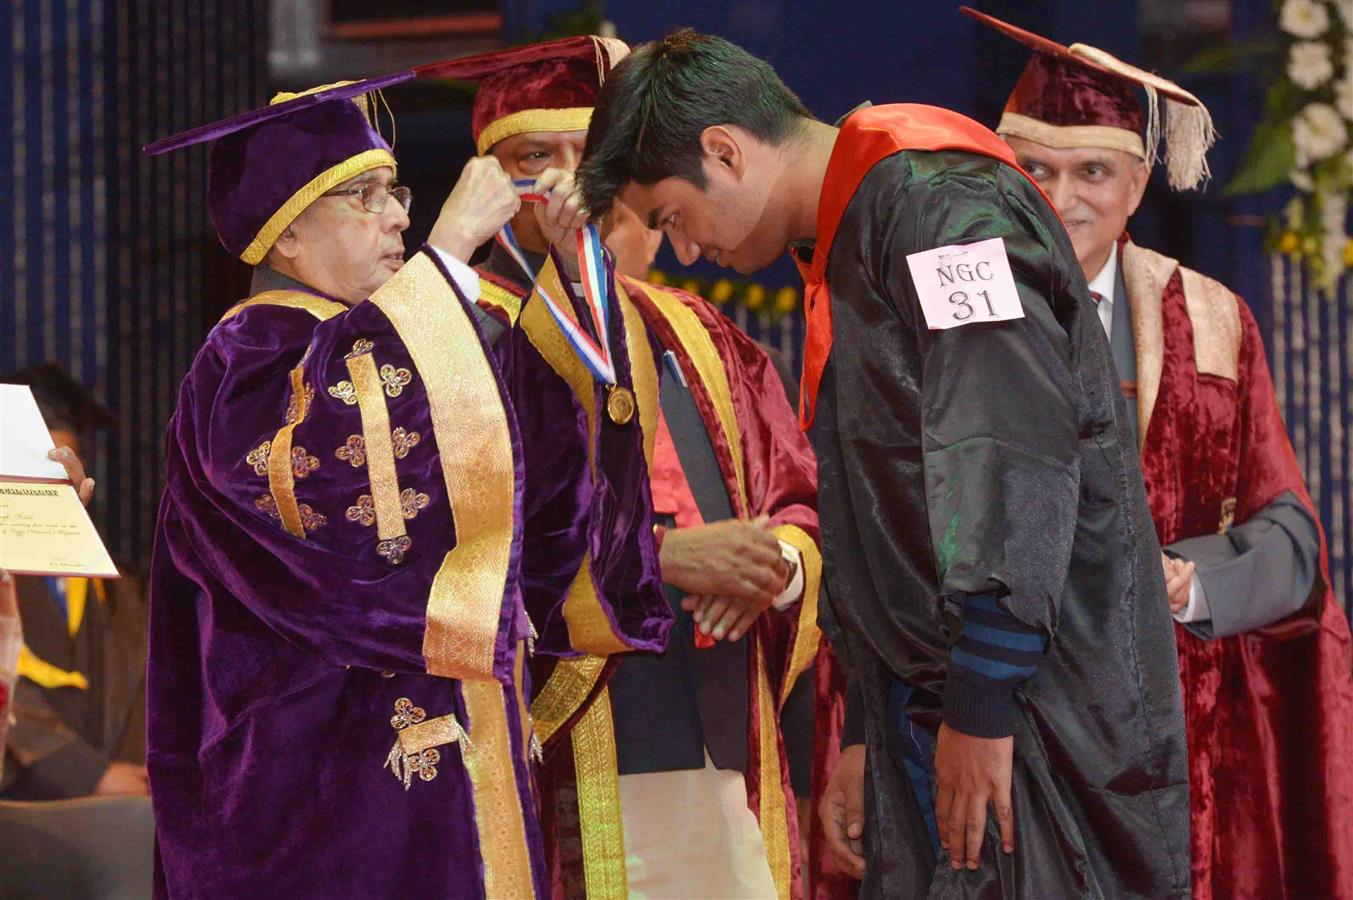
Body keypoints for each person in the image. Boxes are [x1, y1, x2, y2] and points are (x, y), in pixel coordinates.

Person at [578, 29, 1191, 899]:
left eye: (672, 216)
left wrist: (981, 701)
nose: (681, 252)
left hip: (1031, 714)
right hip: (936, 705)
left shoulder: (943, 207)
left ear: (725, 150)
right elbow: (890, 505)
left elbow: (1007, 445)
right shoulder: (861, 219)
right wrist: (865, 726)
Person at [141, 75, 668, 898]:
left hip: (445, 746)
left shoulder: (400, 341)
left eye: (396, 192)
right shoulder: (246, 358)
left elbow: (540, 466)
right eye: (362, 197)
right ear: (284, 237)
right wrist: (450, 250)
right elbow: (324, 491)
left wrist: (570, 274)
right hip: (313, 780)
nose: (397, 218)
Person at [415, 37, 823, 898]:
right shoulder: (452, 345)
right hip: (570, 743)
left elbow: (799, 499)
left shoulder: (704, 335)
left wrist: (774, 566)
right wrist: (666, 559)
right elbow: (448, 551)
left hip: (730, 729)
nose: (572, 185)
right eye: (536, 159)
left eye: (590, 156)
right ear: (487, 183)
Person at [966, 9, 1353, 898]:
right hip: (1001, 731)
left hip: (1172, 739)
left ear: (1138, 185)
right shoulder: (952, 309)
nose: (1062, 197)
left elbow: (1292, 539)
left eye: (1093, 171)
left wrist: (1190, 579)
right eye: (1036, 169)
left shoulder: (1209, 321)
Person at [0, 365, 137, 799]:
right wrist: (85, 773)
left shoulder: (113, 585)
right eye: (40, 470)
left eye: (67, 469)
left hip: (99, 823)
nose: (57, 483)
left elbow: (136, 689)